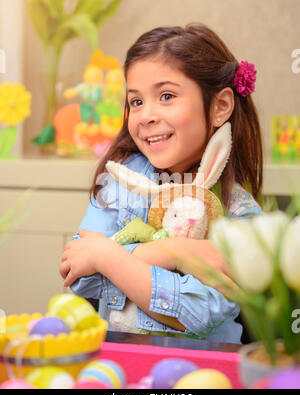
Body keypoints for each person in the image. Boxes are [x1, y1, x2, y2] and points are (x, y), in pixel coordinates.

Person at [59, 23, 263, 343]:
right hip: (121, 371)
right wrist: (177, 252)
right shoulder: (122, 184)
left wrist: (108, 256)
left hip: (203, 374)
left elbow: (199, 314)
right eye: (136, 101)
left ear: (220, 106)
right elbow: (79, 274)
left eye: (166, 96)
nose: (146, 115)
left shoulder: (239, 213)